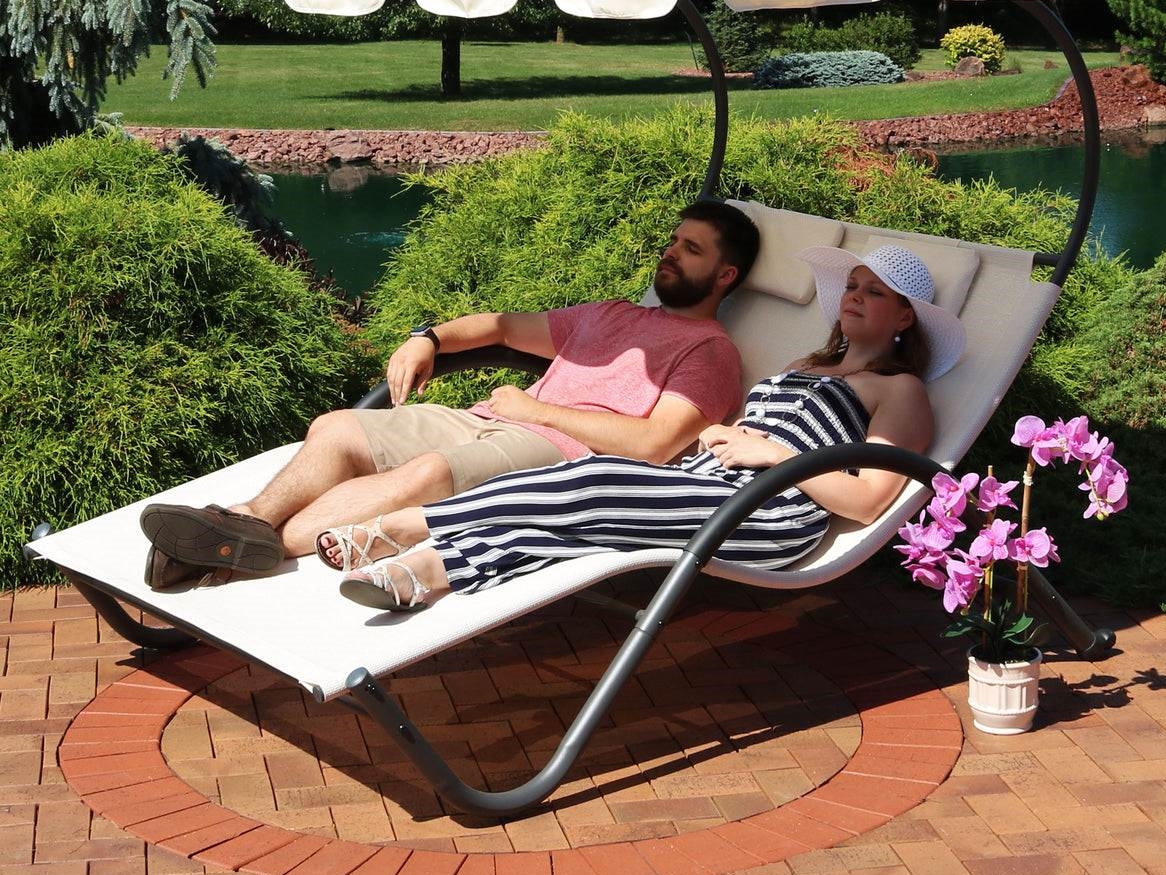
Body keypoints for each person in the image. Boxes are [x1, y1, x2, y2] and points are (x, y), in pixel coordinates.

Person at [139, 200, 760, 588]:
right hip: (486, 418)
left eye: (691, 250)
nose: (670, 253)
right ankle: (246, 525)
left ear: (725, 275)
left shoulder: (710, 352)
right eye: (674, 240)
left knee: (431, 472)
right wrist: (427, 338)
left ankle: (233, 549)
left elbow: (655, 445)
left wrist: (534, 409)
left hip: (562, 457)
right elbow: (501, 327)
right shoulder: (612, 313)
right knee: (337, 427)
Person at [330, 243, 967, 611]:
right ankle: (423, 573)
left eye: (874, 292)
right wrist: (723, 438)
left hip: (770, 512)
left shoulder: (900, 390)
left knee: (594, 482)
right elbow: (745, 433)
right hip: (712, 484)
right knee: (577, 526)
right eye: (852, 285)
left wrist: (771, 454)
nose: (854, 295)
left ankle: (406, 527)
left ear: (904, 318)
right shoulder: (806, 367)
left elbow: (868, 501)